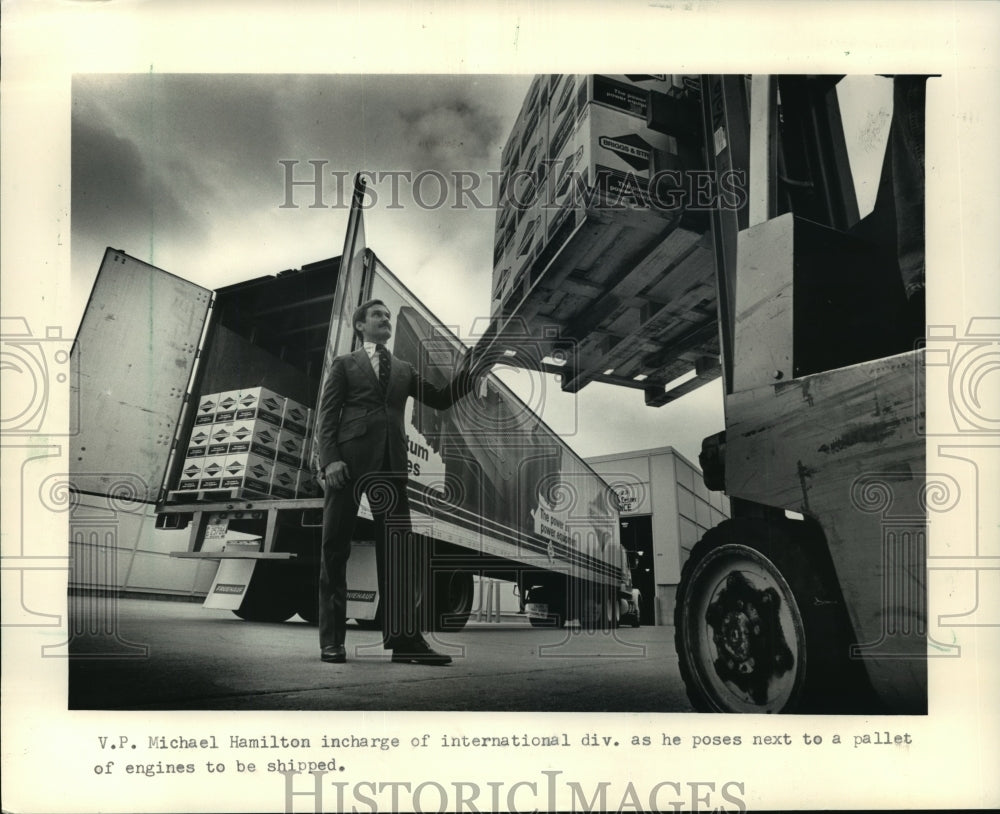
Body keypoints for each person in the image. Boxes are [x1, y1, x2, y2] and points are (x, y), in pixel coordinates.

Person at [315, 298, 474, 666]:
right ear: (360, 326)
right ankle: (332, 641)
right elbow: (327, 417)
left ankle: (404, 643)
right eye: (377, 316)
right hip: (348, 464)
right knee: (334, 550)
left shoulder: (403, 368)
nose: (385, 320)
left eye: (388, 316)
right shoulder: (344, 364)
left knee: (398, 555)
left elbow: (440, 398)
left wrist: (472, 373)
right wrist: (331, 460)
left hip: (392, 466)